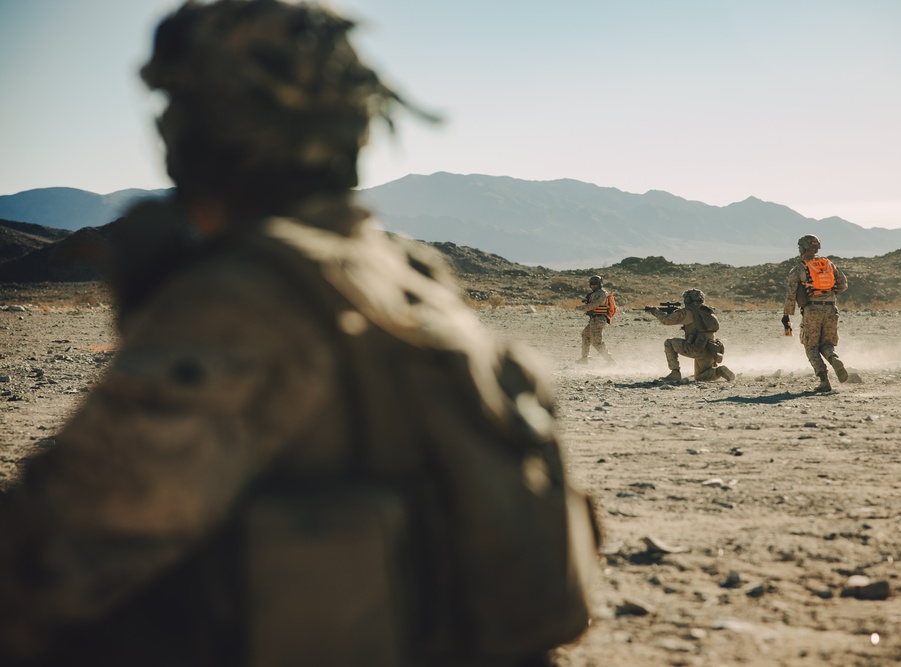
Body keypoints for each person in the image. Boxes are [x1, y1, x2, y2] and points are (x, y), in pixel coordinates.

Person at [0, 2, 597, 665]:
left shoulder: (241, 297)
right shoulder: (405, 269)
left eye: (177, 102)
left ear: (204, 124)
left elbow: (54, 548)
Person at [782, 233, 851, 392]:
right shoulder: (828, 264)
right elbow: (843, 285)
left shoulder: (799, 268)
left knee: (811, 346)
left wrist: (786, 315)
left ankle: (824, 381)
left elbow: (791, 294)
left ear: (803, 248)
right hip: (831, 308)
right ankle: (833, 359)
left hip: (811, 310)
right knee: (826, 344)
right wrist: (829, 291)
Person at [646, 289, 735, 383]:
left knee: (669, 343)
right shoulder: (708, 311)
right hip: (712, 350)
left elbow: (665, 320)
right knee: (702, 377)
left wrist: (654, 311)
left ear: (688, 300)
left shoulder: (687, 312)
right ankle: (719, 371)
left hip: (696, 348)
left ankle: (675, 373)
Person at [575, 275, 616, 365]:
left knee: (597, 342)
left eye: (595, 284)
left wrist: (580, 308)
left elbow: (593, 305)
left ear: (600, 284)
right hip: (594, 319)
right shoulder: (595, 293)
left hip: (598, 320)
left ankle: (610, 361)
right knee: (585, 335)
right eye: (592, 284)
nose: (593, 286)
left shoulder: (601, 294)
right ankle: (584, 358)